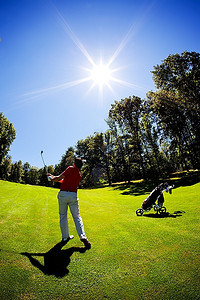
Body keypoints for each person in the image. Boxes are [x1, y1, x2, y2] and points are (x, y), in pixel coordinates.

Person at [47, 157, 91, 249]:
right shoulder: (79, 174)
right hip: (73, 196)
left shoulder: (70, 168)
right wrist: (52, 177)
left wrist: (51, 178)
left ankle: (65, 237)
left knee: (63, 216)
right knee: (77, 217)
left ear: (74, 163)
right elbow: (63, 180)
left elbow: (59, 178)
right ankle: (83, 237)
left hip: (63, 194)